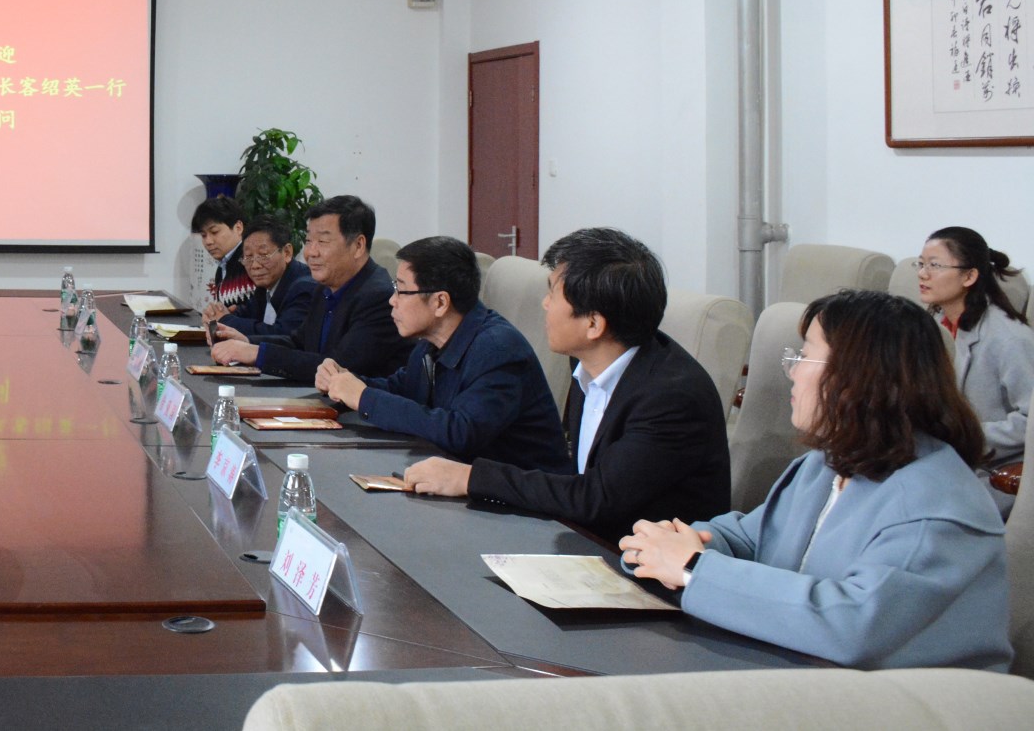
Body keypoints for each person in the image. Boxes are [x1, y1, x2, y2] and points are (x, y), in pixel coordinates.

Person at [622, 290, 1010, 670]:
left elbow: (851, 626)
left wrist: (693, 566)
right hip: (803, 672)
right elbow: (751, 540)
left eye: (805, 355)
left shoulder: (934, 503)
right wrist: (669, 544)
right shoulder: (825, 465)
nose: (792, 371)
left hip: (910, 699)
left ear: (858, 377)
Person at [401, 227, 731, 542]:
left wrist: (469, 477)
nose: (544, 304)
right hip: (584, 538)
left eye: (552, 294)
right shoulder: (588, 362)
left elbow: (596, 498)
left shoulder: (672, 398)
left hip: (642, 565)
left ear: (593, 324)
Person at [315, 236, 569, 471]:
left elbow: (460, 432)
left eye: (401, 290)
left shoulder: (498, 349)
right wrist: (344, 383)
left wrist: (364, 397)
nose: (392, 300)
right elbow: (402, 388)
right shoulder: (431, 342)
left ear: (440, 303)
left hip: (519, 500)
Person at [207, 195, 403, 384]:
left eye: (323, 242)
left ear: (358, 245)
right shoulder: (325, 288)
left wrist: (257, 354)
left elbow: (337, 367)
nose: (310, 252)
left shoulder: (378, 297)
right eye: (309, 241)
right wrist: (247, 341)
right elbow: (299, 343)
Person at [914, 225, 1034, 515]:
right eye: (921, 263)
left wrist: (963, 434)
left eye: (934, 265)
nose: (922, 274)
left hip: (992, 472)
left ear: (969, 276)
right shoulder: (934, 325)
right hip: (943, 458)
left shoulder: (1009, 338)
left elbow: (1030, 421)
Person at [202, 216, 314, 343]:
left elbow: (284, 335)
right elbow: (246, 314)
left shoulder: (304, 287)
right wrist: (218, 314)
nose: (255, 265)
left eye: (263, 255)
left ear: (287, 253)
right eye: (248, 257)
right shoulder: (265, 285)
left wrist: (225, 320)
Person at [190, 196, 252, 318]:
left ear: (238, 228)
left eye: (214, 232)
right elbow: (223, 316)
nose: (208, 241)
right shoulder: (222, 268)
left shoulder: (251, 262)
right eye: (203, 235)